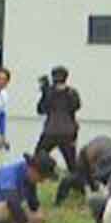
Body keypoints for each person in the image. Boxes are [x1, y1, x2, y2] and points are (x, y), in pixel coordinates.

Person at [34, 67, 85, 205]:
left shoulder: (50, 92)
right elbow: (76, 107)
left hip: (51, 131)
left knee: (37, 157)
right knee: (72, 166)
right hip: (68, 132)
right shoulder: (72, 93)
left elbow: (41, 109)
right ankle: (80, 192)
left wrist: (45, 91)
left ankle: (49, 175)